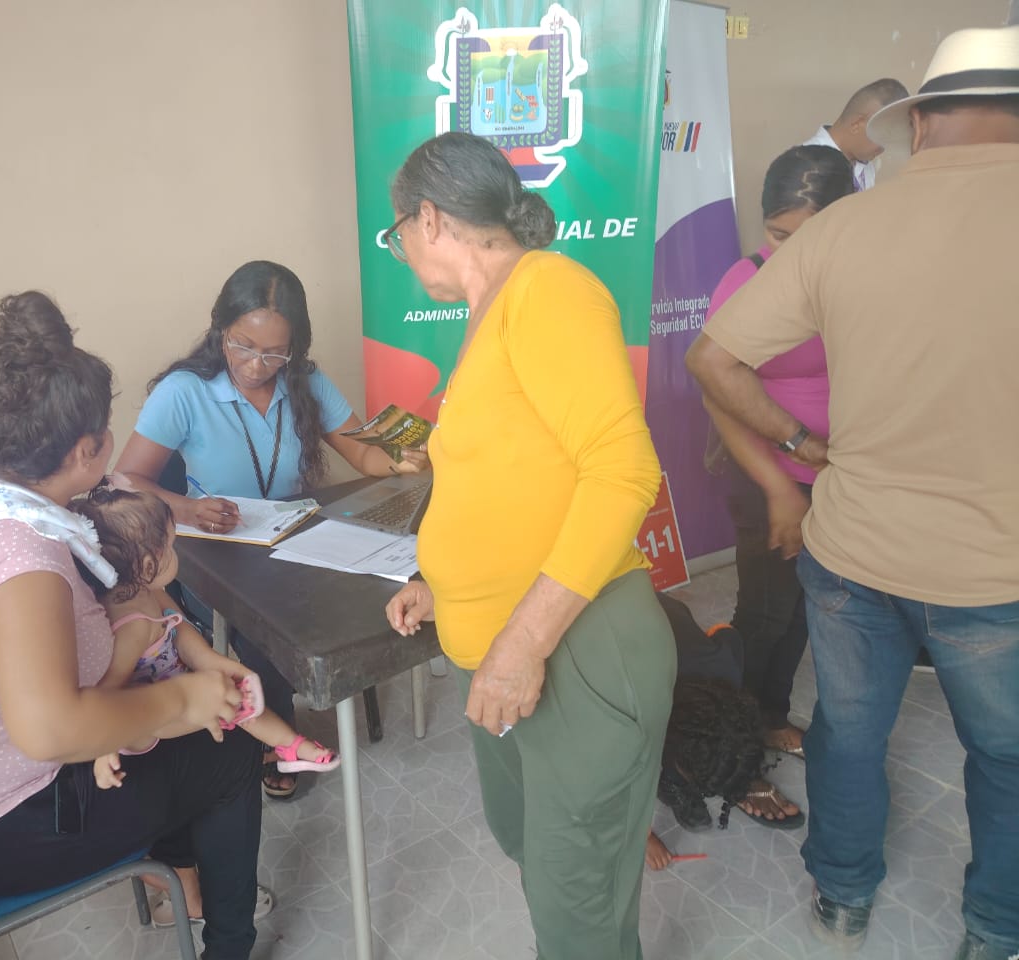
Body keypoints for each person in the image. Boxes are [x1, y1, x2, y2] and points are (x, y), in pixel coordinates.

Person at [686, 25, 1019, 960]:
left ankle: (841, 897)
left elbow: (713, 359)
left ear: (924, 124)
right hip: (996, 570)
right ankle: (995, 928)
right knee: (1005, 756)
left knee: (849, 731)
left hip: (854, 552)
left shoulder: (848, 228)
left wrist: (807, 450)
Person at [0, 292, 265, 960]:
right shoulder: (18, 560)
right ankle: (227, 944)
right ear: (86, 450)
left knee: (170, 731)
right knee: (229, 754)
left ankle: (181, 883)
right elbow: (50, 732)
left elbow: (118, 598)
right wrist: (184, 697)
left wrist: (184, 655)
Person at [382, 131, 675, 960]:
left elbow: (622, 471)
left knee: (577, 899)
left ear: (427, 220)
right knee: (534, 852)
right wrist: (444, 585)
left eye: (396, 236)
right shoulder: (489, 314)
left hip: (575, 647)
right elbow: (515, 478)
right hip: (511, 653)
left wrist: (521, 643)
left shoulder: (548, 289)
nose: (402, 252)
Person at [115, 259, 427, 799]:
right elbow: (126, 481)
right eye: (243, 346)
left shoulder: (306, 382)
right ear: (220, 330)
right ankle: (274, 739)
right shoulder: (185, 391)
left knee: (370, 590)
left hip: (295, 536)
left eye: (275, 353)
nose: (257, 365)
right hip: (216, 551)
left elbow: (362, 453)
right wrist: (187, 509)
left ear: (294, 349)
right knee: (268, 632)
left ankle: (320, 692)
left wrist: (400, 458)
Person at [703, 146, 853, 790]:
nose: (790, 251)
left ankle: (767, 716)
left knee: (802, 611)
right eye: (778, 234)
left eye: (807, 237)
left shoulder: (855, 275)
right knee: (765, 612)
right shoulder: (748, 280)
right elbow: (719, 395)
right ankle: (727, 746)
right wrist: (778, 486)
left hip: (835, 478)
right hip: (767, 474)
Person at [69, 483, 341, 792]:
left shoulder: (146, 591)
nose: (175, 553)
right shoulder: (132, 626)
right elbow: (107, 694)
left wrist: (214, 663)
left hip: (177, 687)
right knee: (233, 703)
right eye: (171, 546)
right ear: (147, 565)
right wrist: (105, 749)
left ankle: (291, 746)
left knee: (236, 694)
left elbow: (182, 633)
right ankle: (285, 748)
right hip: (153, 721)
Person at [646, 593, 797, 872]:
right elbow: (611, 784)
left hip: (653, 606)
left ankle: (685, 776)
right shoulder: (631, 707)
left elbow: (725, 632)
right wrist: (644, 837)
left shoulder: (723, 666)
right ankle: (673, 783)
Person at [802, 77, 909, 189]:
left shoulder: (865, 166)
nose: (883, 149)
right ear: (856, 125)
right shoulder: (807, 165)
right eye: (883, 136)